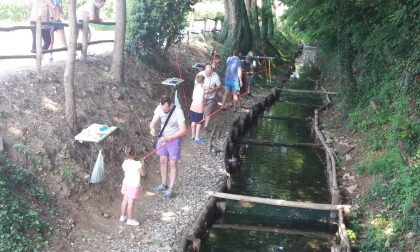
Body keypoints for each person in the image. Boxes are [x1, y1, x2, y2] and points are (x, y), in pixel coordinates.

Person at [149, 95, 186, 198]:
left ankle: (170, 188)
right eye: (162, 109)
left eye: (165, 109)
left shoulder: (178, 111)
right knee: (162, 161)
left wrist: (169, 137)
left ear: (170, 105)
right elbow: (153, 122)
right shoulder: (159, 108)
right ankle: (164, 184)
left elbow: (183, 130)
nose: (163, 111)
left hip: (174, 139)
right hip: (162, 139)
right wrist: (152, 128)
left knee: (173, 163)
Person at [120, 145, 146, 226]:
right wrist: (142, 164)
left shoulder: (124, 163)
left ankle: (122, 216)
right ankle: (130, 220)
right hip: (133, 186)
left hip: (126, 184)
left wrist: (139, 164)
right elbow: (143, 174)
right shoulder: (137, 164)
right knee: (131, 203)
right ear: (134, 154)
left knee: (125, 201)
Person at [199, 63, 222, 133]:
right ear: (204, 70)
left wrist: (214, 89)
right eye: (207, 72)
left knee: (208, 112)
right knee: (200, 110)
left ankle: (205, 126)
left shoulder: (215, 76)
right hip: (201, 96)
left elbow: (219, 85)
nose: (208, 74)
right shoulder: (200, 74)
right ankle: (199, 124)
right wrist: (205, 88)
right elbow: (196, 84)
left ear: (212, 70)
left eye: (210, 72)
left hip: (210, 96)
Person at [190, 75, 207, 142]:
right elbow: (202, 99)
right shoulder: (202, 89)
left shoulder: (196, 87)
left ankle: (192, 136)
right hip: (199, 107)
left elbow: (193, 97)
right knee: (199, 122)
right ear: (203, 81)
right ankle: (197, 138)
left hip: (193, 106)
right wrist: (205, 100)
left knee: (193, 121)